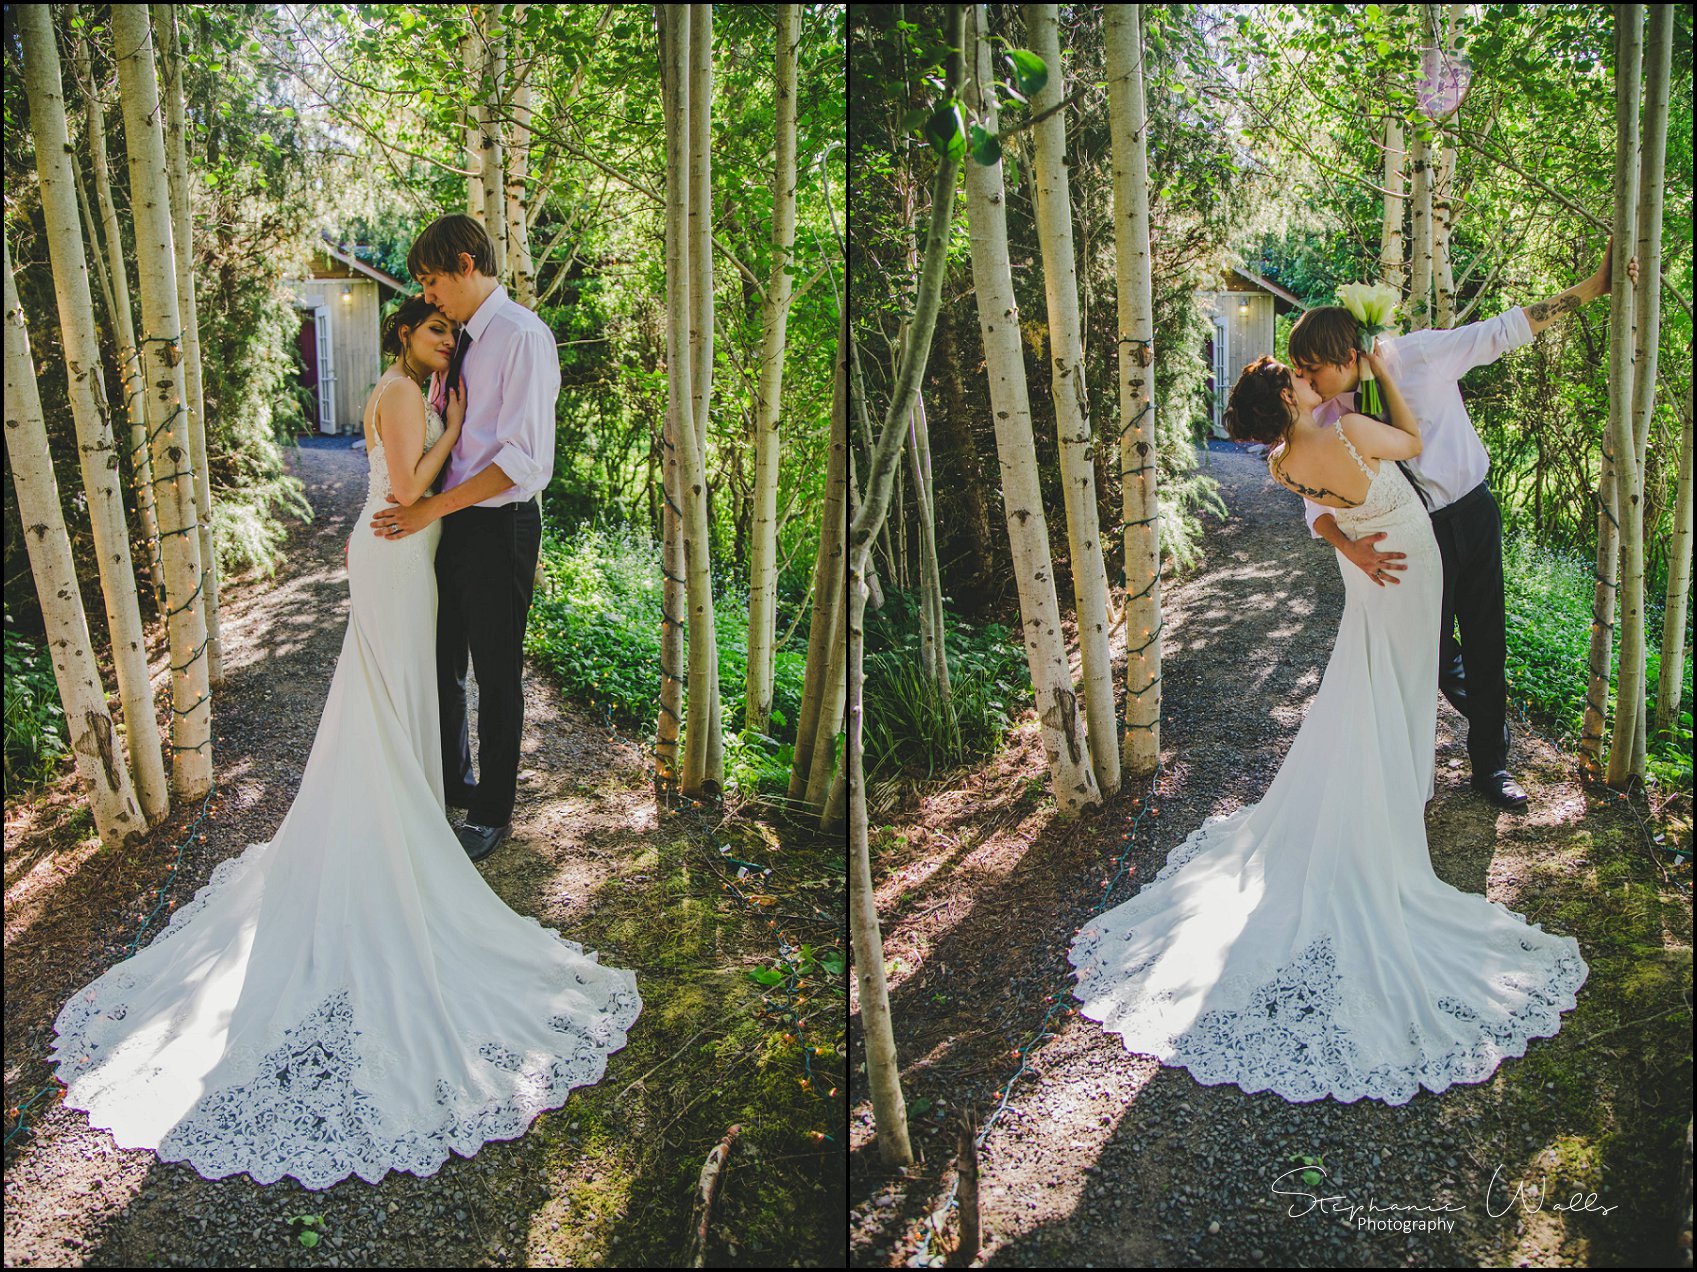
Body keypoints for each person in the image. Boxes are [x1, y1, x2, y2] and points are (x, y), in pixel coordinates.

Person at [49, 295, 641, 1189]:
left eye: (453, 333)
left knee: (399, 689)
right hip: (400, 548)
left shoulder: (412, 387)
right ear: (408, 333)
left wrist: (452, 433)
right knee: (389, 687)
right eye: (437, 329)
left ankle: (405, 800)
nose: (449, 341)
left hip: (407, 553)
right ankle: (393, 815)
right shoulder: (404, 393)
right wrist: (460, 430)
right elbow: (406, 494)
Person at [1066, 348, 1586, 1104]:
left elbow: (1323, 519)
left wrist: (1347, 541)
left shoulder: (1282, 464)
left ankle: (1395, 783)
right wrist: (1383, 377)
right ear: (1286, 400)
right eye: (1295, 381)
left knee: (1368, 674)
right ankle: (1390, 796)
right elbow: (1409, 442)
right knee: (1397, 680)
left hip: (1366, 567)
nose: (1308, 381)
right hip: (1405, 561)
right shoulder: (1347, 436)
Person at [1287, 241, 1637, 810]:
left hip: (1473, 514)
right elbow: (1315, 506)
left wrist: (1594, 287)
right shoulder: (1327, 418)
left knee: (1486, 640)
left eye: (1312, 368)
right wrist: (1349, 548)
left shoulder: (1419, 356)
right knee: (1427, 653)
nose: (1305, 378)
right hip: (1411, 541)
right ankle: (1416, 768)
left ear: (1348, 354)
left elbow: (1505, 329)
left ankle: (1491, 767)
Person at [372, 214, 558, 863]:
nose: (427, 295)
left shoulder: (521, 337)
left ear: (465, 264)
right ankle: (453, 778)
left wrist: (430, 510)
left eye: (430, 280)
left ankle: (491, 811)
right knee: (442, 658)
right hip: (451, 520)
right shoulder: (465, 340)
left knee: (496, 672)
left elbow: (523, 459)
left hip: (498, 522)